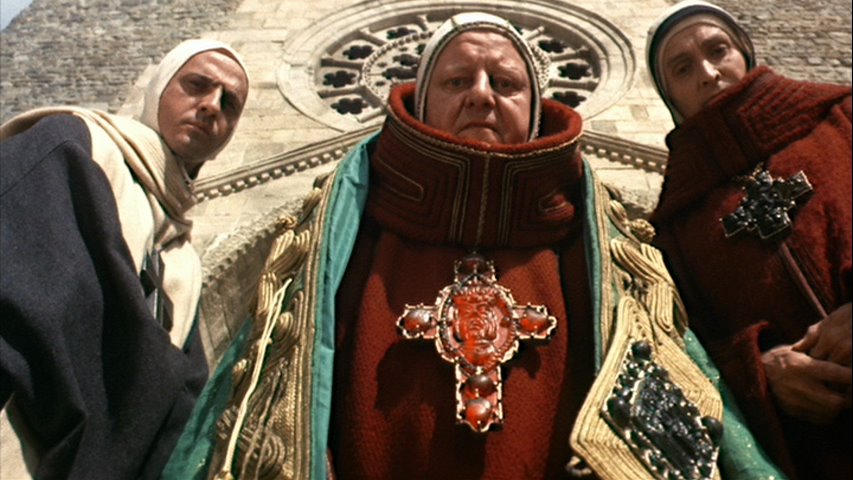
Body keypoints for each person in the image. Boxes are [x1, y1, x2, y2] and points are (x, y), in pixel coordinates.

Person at [164, 12, 782, 480]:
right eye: (458, 79)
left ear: (536, 107)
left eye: (506, 82)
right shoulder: (334, 228)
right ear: (421, 97)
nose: (481, 95)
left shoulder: (608, 237)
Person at [0, 38, 250, 479]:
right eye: (196, 85)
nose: (212, 105)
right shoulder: (73, 143)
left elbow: (178, 410)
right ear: (158, 88)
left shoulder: (183, 263)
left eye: (229, 103)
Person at [645, 1, 852, 479]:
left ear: (745, 53)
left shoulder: (841, 118)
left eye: (718, 50)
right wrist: (763, 370)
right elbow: (695, 350)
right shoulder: (673, 228)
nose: (708, 74)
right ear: (670, 97)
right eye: (682, 68)